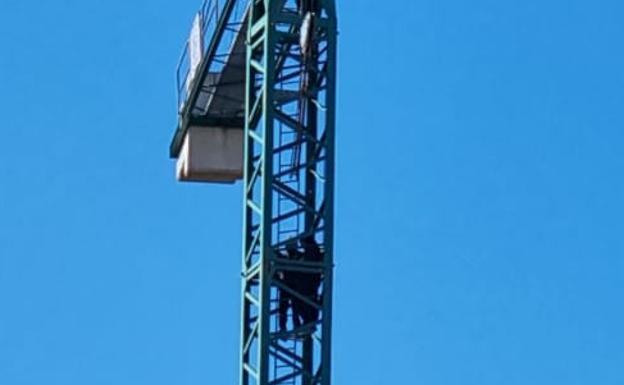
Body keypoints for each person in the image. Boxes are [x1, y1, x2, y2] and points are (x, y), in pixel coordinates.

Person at [278, 241, 302, 332]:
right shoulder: (285, 256)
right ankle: (283, 327)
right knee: (283, 309)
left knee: (295, 308)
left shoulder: (298, 256)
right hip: (286, 286)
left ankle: (297, 326)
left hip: (294, 285)